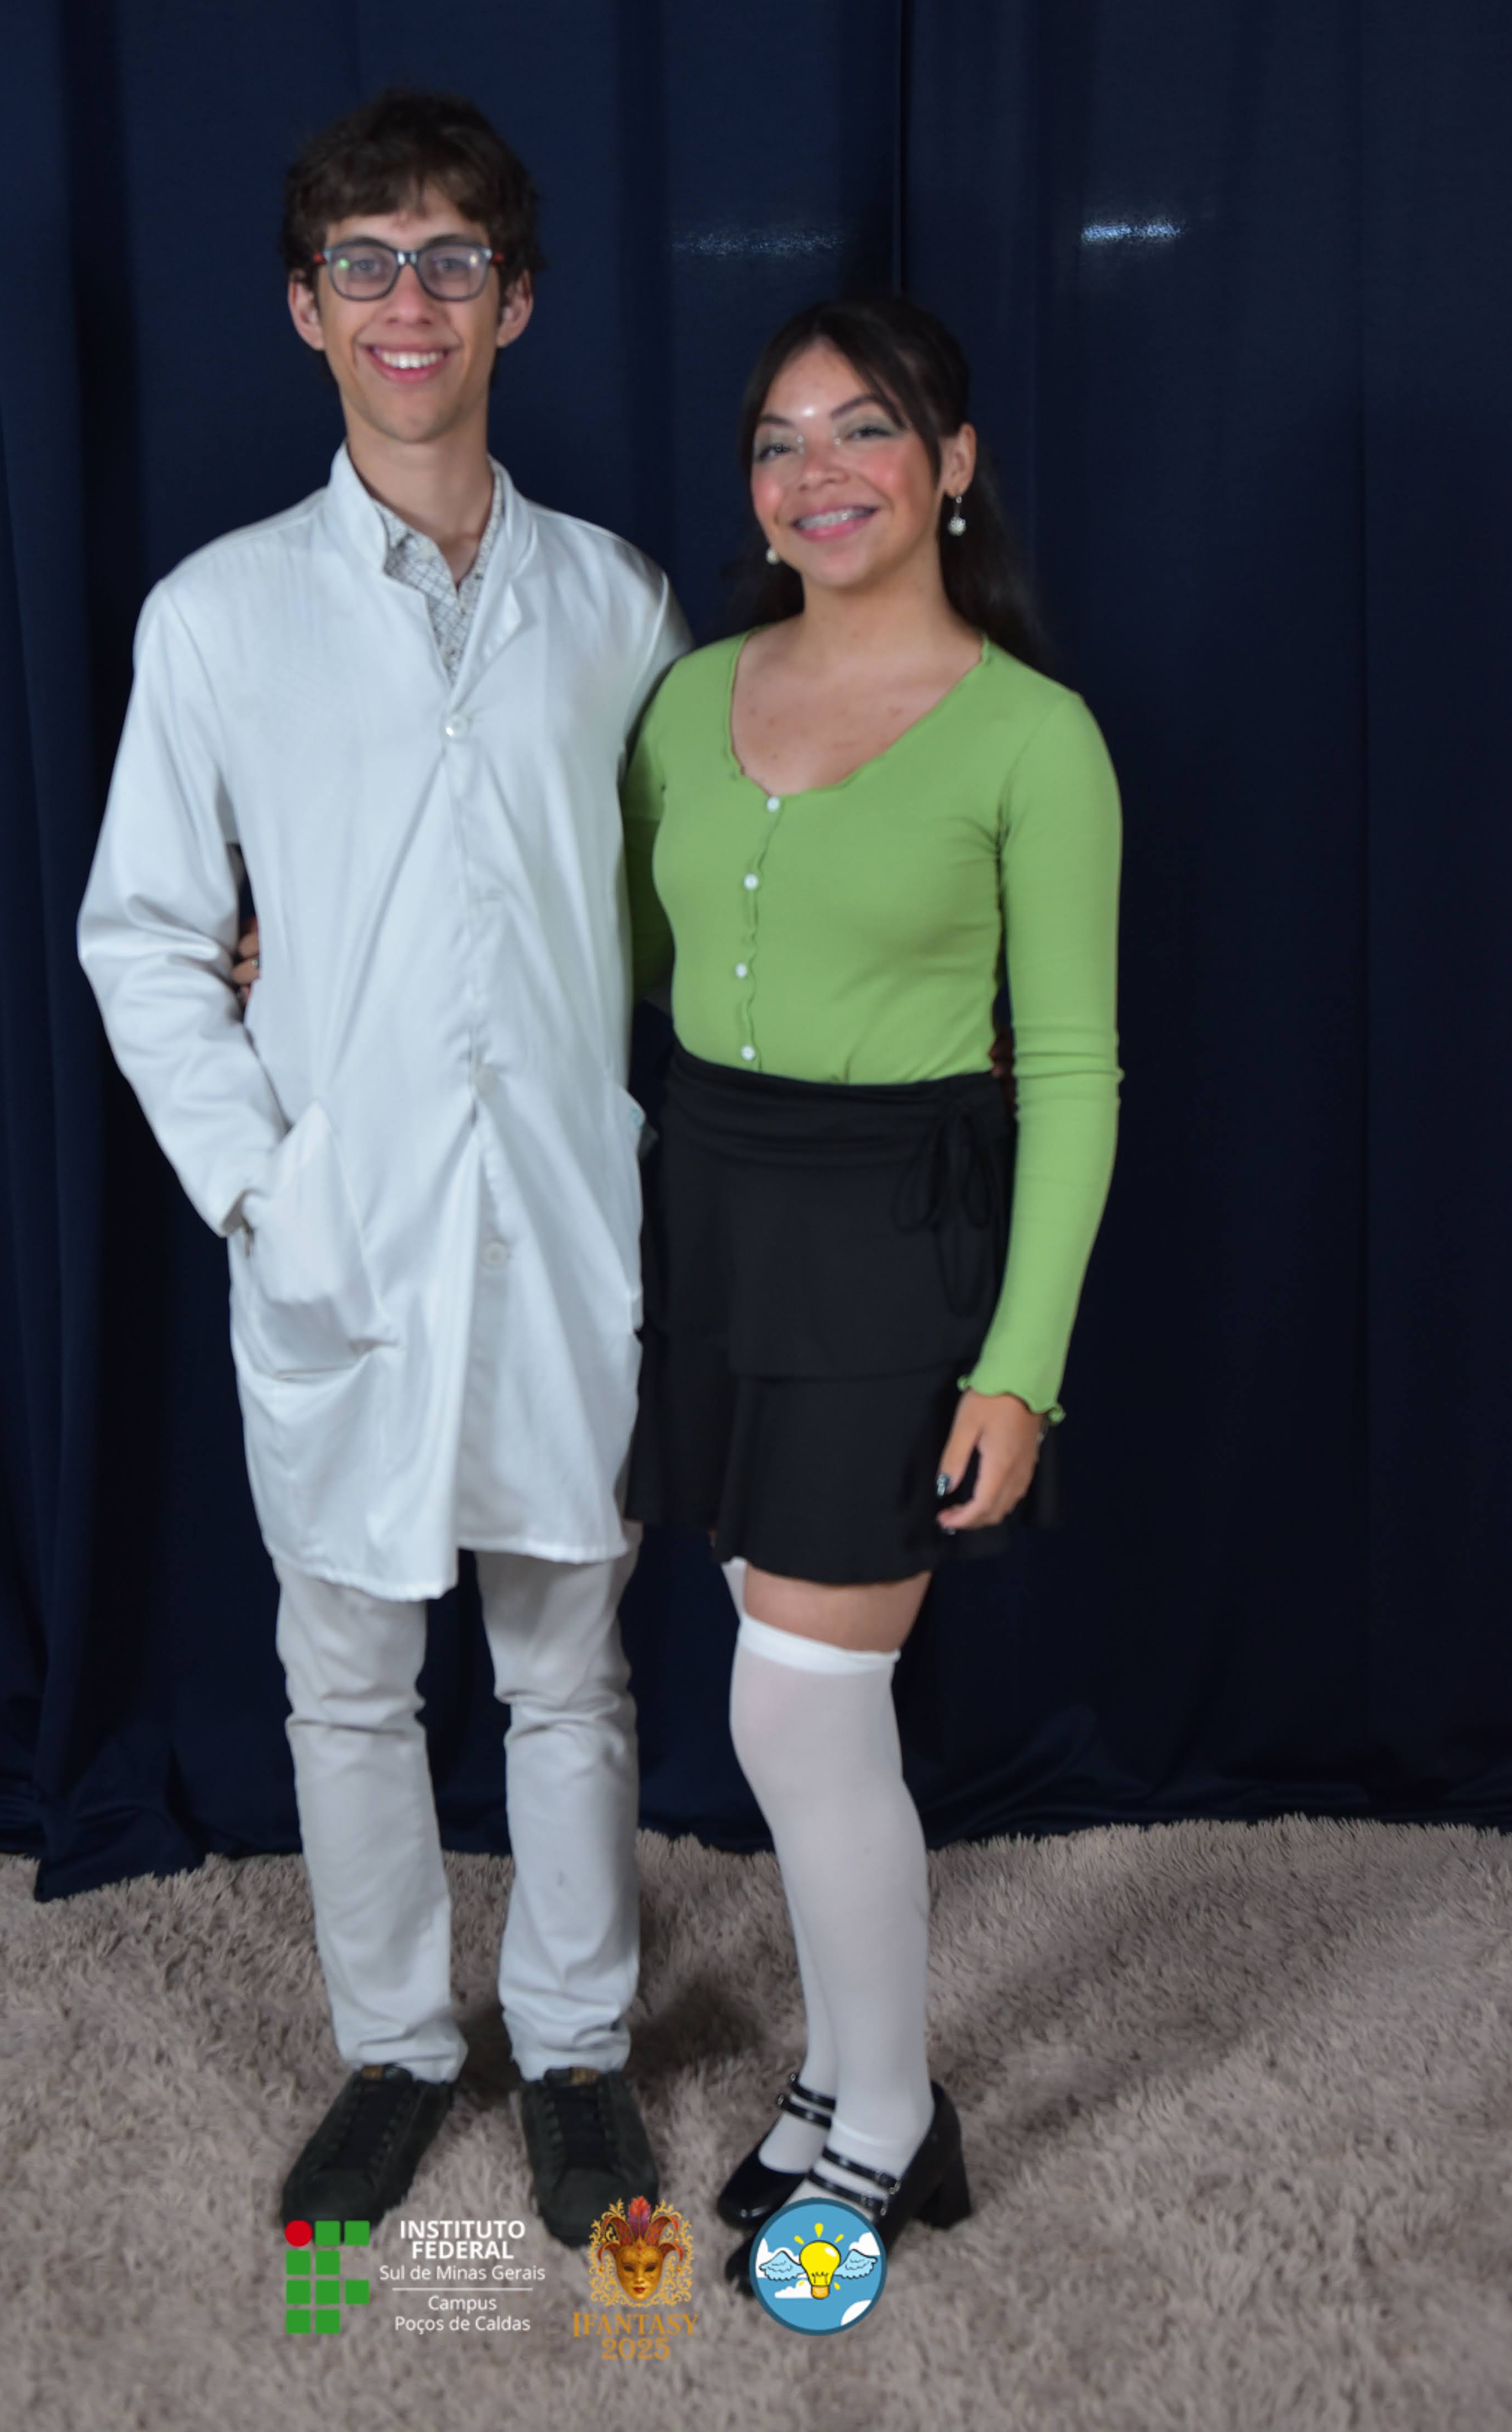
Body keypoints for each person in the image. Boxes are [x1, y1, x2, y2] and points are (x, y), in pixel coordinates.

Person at [77, 90, 688, 2244]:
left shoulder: (616, 602)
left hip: (559, 1224)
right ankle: (397, 2048)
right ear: (304, 308)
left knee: (568, 1668)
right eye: (365, 262)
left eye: (449, 261)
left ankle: (579, 2053)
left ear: (515, 303)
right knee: (342, 1674)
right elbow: (146, 934)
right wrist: (266, 1185)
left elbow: (669, 907)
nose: (406, 300)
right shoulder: (219, 615)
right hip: (337, 1238)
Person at [618, 294, 1121, 2289]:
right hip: (708, 1221)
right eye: (776, 439)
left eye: (860, 431)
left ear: (951, 464)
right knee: (786, 1684)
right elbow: (586, 959)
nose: (811, 474)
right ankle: (836, 2072)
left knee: (802, 1713)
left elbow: (1070, 1073)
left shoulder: (1032, 738)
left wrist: (1022, 1371)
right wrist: (296, 966)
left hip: (895, 1242)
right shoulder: (687, 698)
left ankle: (894, 2125)